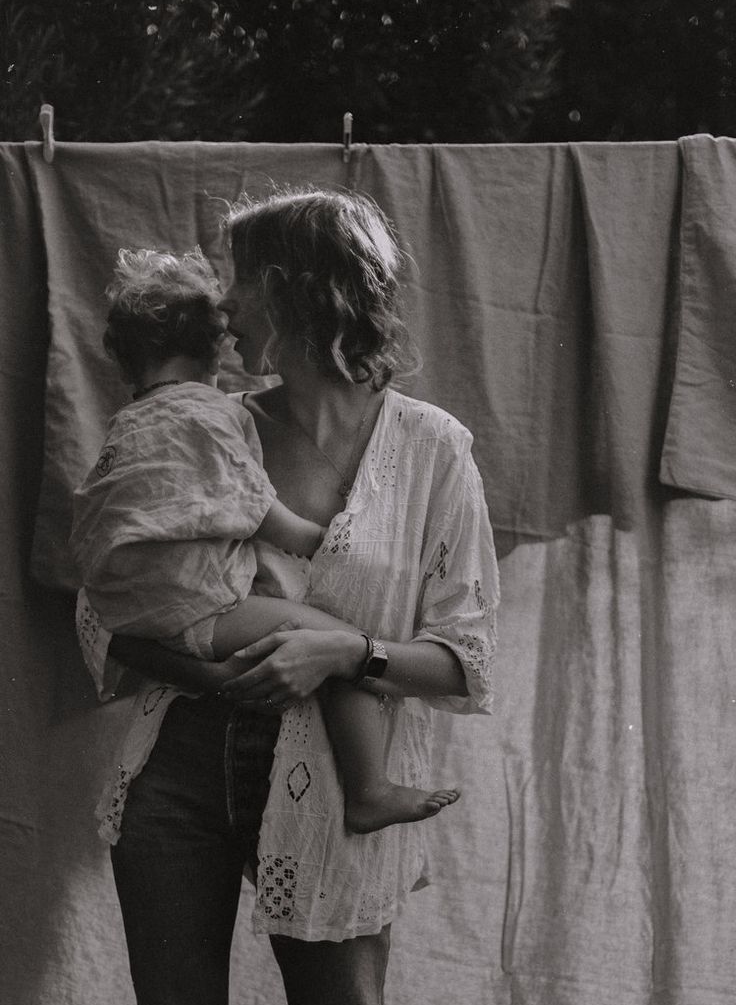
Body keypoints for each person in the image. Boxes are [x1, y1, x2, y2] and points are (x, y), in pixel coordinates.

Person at [77, 188, 499, 1005]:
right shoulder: (196, 425)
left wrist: (345, 655)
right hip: (181, 763)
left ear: (301, 288)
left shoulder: (432, 451)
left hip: (339, 783)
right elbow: (109, 606)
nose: (224, 306)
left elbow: (464, 659)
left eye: (242, 281)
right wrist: (218, 671)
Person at [71, 245, 459, 835]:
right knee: (337, 639)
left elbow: (112, 543)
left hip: (140, 613)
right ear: (210, 349)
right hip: (200, 617)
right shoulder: (208, 414)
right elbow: (255, 508)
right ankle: (369, 790)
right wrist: (325, 538)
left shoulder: (130, 425)